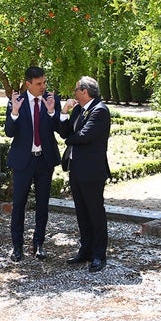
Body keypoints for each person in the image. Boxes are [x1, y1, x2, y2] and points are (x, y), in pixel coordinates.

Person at [4, 66, 62, 262]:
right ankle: (17, 247)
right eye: (39, 84)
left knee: (42, 205)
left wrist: (53, 111)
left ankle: (39, 244)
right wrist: (14, 113)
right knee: (19, 205)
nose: (43, 87)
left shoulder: (51, 100)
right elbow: (9, 132)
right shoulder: (16, 102)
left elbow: (61, 129)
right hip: (23, 162)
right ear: (28, 84)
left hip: (44, 161)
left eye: (44, 82)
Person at [59, 76, 111, 272]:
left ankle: (99, 255)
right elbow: (64, 132)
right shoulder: (80, 109)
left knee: (95, 213)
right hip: (76, 168)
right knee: (82, 212)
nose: (73, 93)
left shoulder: (100, 110)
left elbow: (83, 136)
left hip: (92, 171)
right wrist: (64, 112)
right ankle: (86, 250)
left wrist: (70, 139)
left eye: (75, 90)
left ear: (84, 91)